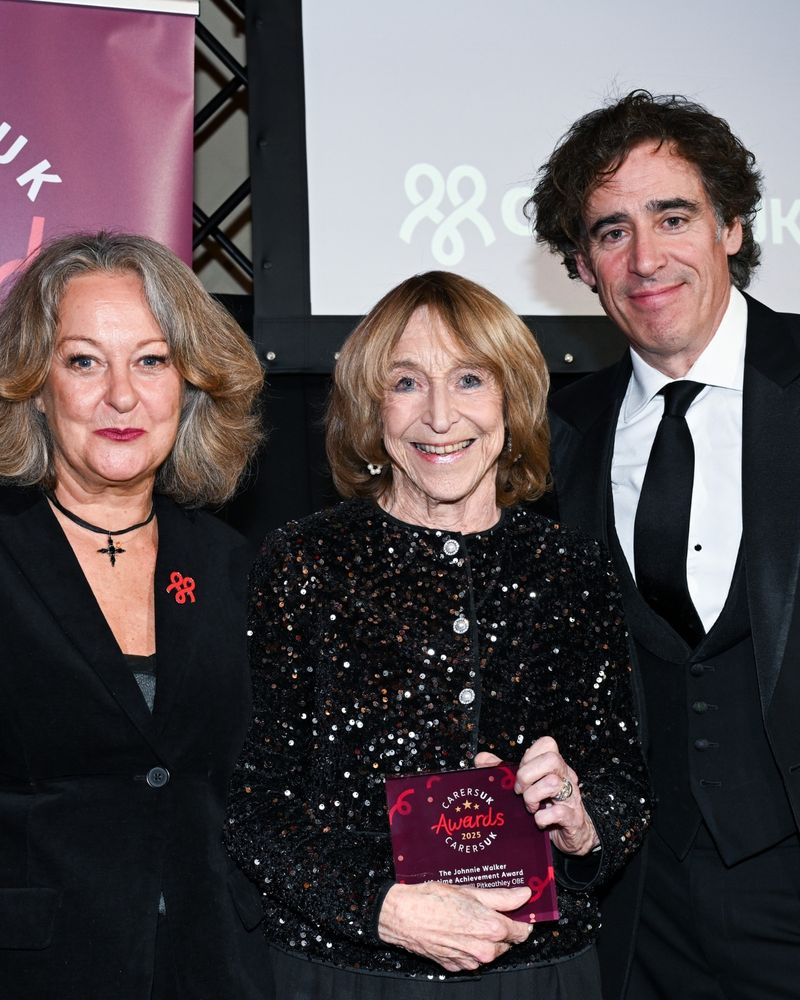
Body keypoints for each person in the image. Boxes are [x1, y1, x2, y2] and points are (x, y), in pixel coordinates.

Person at [226, 270, 649, 999]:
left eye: (471, 380)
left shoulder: (571, 566)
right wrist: (381, 908)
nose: (441, 415)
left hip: (538, 973)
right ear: (372, 408)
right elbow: (251, 802)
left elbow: (623, 785)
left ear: (513, 402)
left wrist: (582, 824)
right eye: (407, 383)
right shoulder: (304, 562)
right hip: (348, 972)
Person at [529, 89, 800, 1000]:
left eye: (673, 216)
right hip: (638, 911)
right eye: (611, 231)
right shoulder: (554, 435)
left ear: (730, 226)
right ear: (582, 263)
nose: (646, 258)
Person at [0, 231, 272, 999]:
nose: (122, 395)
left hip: (216, 965)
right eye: (84, 360)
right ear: (34, 382)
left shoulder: (233, 567)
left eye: (151, 360)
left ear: (189, 383)